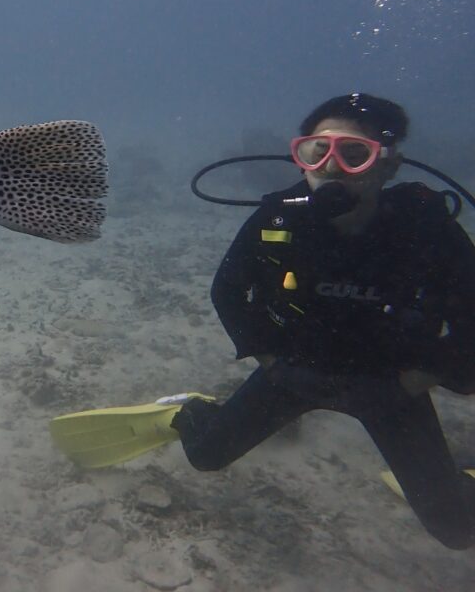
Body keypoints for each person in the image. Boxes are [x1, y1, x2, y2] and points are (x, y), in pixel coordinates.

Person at [171, 92, 475, 550]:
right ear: (302, 158)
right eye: (318, 151)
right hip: (294, 374)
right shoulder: (279, 218)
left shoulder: (425, 230)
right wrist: (272, 362)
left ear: (389, 166)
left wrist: (415, 380)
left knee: (456, 531)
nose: (331, 166)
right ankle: (195, 409)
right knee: (204, 456)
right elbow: (228, 291)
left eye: (355, 154)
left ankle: (462, 482)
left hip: (389, 388)